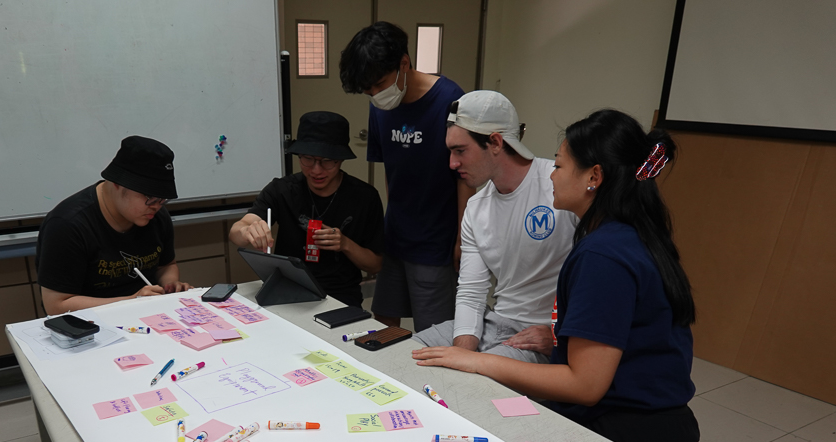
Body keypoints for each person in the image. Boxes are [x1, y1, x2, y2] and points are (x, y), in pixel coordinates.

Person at [413, 109, 712, 442]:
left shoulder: (603, 254)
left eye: (558, 166)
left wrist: (477, 361)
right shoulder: (624, 234)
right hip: (638, 413)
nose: (551, 175)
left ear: (594, 177)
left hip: (630, 434)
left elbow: (585, 385)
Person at [414, 91, 577, 363]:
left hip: (540, 334)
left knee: (475, 380)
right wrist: (462, 354)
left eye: (460, 151)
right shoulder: (476, 208)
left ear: (495, 143)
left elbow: (597, 280)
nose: (452, 163)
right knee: (403, 355)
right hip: (494, 322)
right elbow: (471, 293)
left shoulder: (559, 185)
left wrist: (561, 335)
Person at [339, 21, 473, 331]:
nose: (376, 94)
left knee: (433, 332)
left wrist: (462, 238)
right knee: (385, 324)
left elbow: (465, 177)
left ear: (404, 63)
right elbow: (391, 170)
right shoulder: (379, 107)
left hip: (436, 240)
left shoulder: (450, 100)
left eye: (380, 84)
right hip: (396, 235)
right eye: (368, 90)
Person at [229, 111, 383, 308]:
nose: (316, 170)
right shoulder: (282, 190)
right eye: (307, 159)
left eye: (327, 161)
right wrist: (247, 231)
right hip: (286, 292)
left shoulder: (365, 197)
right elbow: (236, 231)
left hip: (340, 297)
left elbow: (375, 265)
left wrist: (345, 244)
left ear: (340, 159)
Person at [36, 136, 190, 315]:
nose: (156, 206)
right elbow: (56, 305)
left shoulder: (156, 216)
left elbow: (166, 265)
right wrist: (132, 301)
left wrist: (170, 284)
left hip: (147, 315)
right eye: (150, 198)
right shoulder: (67, 225)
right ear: (117, 182)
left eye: (163, 199)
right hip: (90, 324)